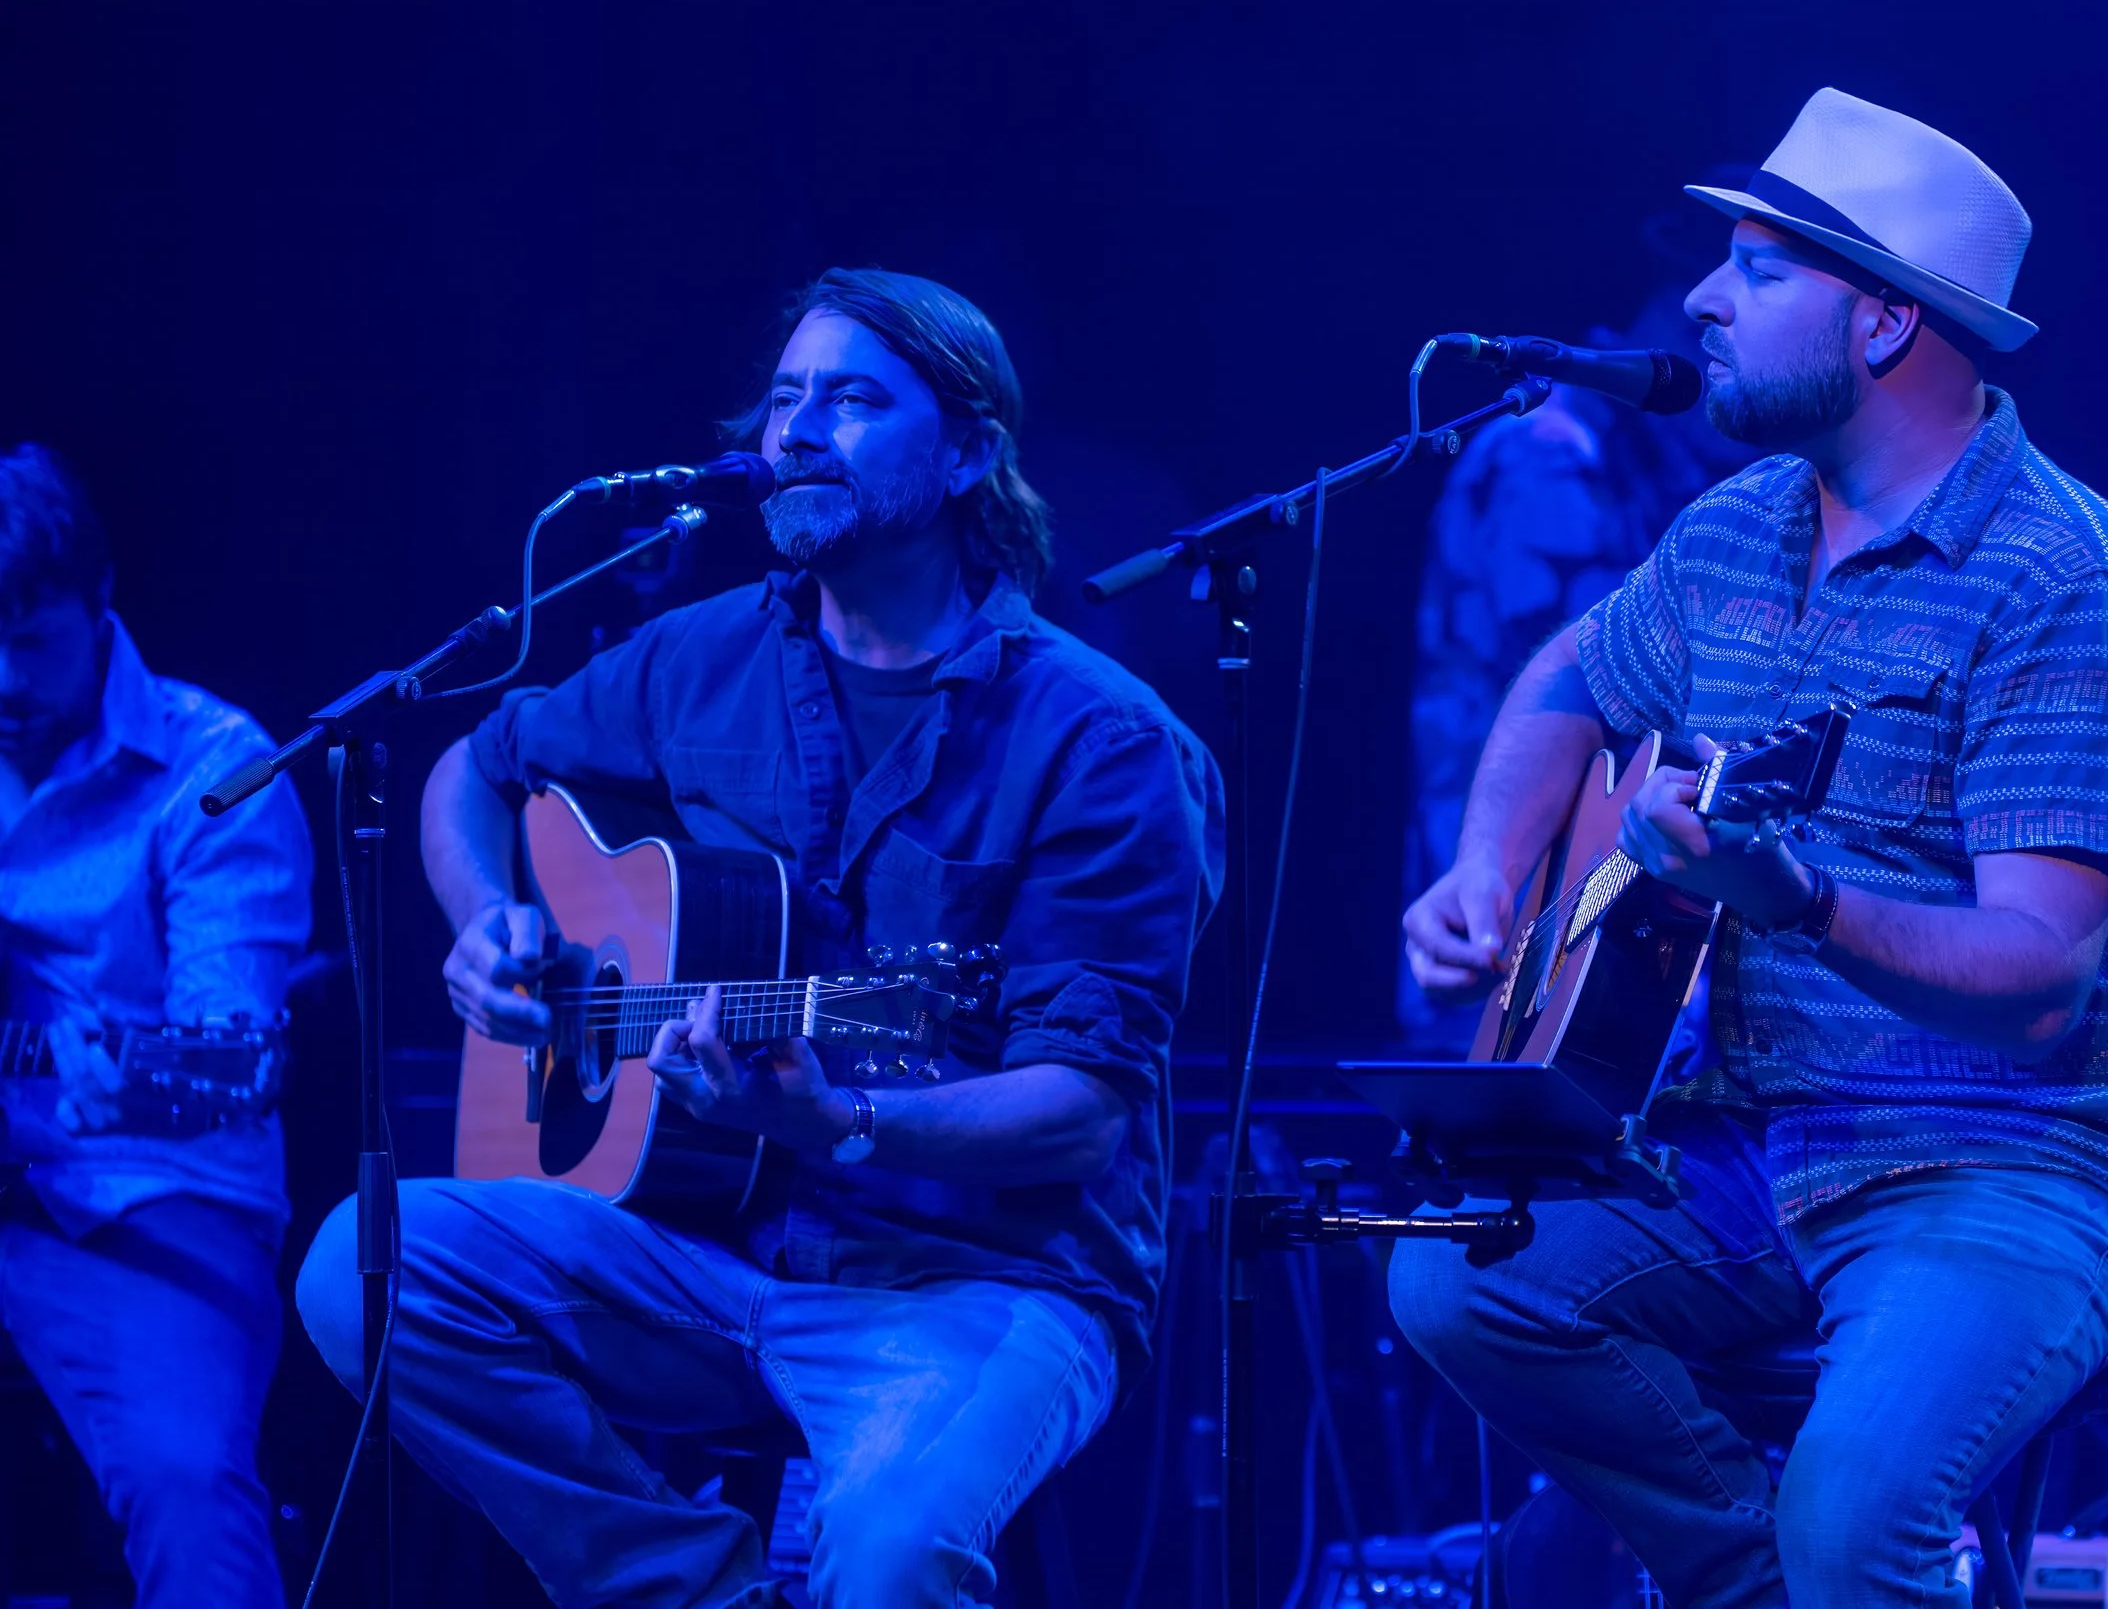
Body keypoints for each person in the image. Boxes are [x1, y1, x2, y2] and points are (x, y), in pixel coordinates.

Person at [1391, 89, 2108, 1606]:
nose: (1704, 298)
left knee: (1861, 1512)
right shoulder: (1739, 525)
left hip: (2026, 1158)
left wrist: (1798, 896)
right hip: (1763, 1138)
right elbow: (1574, 676)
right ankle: (1748, 1582)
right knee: (1454, 1279)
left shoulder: (2066, 580)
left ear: (1887, 323)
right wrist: (1484, 867)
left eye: (1760, 270)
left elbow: (2039, 981)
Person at [293, 268, 1223, 1609]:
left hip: (972, 1277)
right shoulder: (700, 653)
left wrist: (842, 1121)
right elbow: (473, 768)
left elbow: (1078, 1115)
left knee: (896, 1556)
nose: (797, 430)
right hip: (705, 1246)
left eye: (851, 399)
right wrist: (490, 920)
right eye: (786, 398)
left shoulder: (1102, 740)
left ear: (969, 451)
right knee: (366, 1267)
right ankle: (698, 1588)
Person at [0, 443, 314, 1607]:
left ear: (101, 599)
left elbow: (232, 1049)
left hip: (146, 1192)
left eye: (30, 642)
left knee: (187, 1479)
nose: (2, 680)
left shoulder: (216, 769)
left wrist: (122, 1084)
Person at [1402, 211, 1752, 1047]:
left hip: (1582, 891)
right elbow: (1615, 701)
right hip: (1517, 896)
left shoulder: (1658, 463)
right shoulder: (1552, 452)